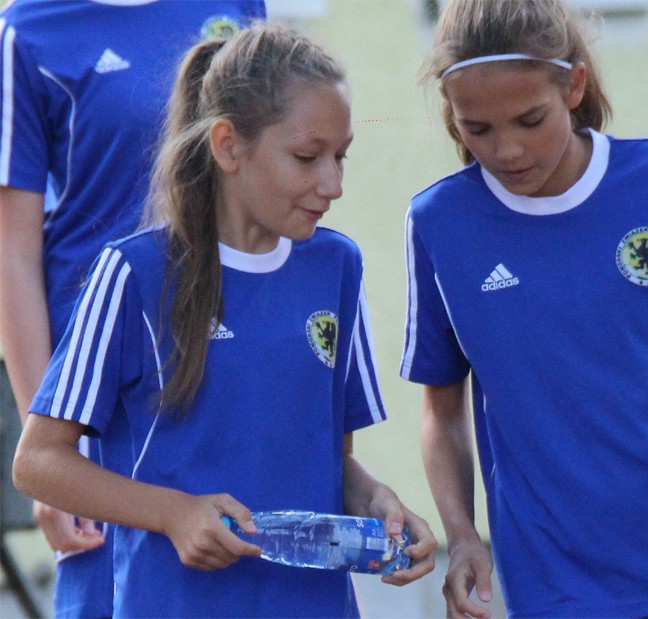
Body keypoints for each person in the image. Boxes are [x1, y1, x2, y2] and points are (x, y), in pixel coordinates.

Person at [12, 22, 437, 618]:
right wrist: (173, 513)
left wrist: (376, 503)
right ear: (228, 145)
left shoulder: (337, 267)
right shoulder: (134, 273)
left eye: (340, 157)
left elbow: (331, 460)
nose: (333, 184)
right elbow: (38, 463)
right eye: (307, 157)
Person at [401, 0, 648, 617]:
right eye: (478, 129)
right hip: (552, 585)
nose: (507, 150)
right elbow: (441, 410)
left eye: (530, 120)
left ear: (574, 85)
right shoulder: (439, 224)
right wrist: (463, 534)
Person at [0, 1, 266, 616]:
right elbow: (13, 252)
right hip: (107, 400)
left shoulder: (238, 5)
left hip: (232, 370)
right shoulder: (28, 30)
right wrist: (53, 452)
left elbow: (276, 165)